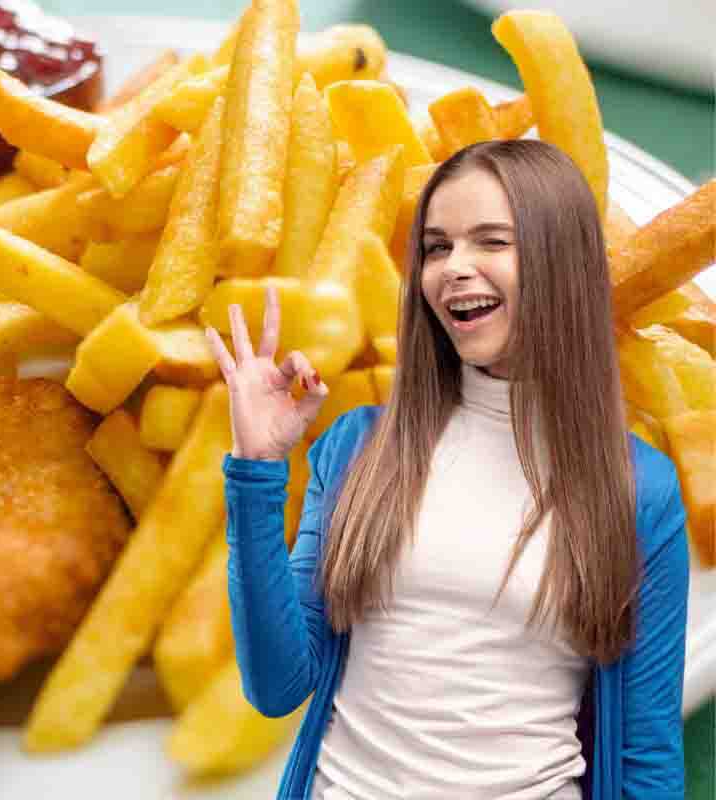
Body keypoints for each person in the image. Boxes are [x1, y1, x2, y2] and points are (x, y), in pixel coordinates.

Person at [204, 139, 689, 800]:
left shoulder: (643, 492)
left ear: (562, 263)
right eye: (436, 247)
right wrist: (255, 473)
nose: (454, 268)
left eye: (492, 241)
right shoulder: (357, 448)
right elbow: (277, 684)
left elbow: (644, 752)